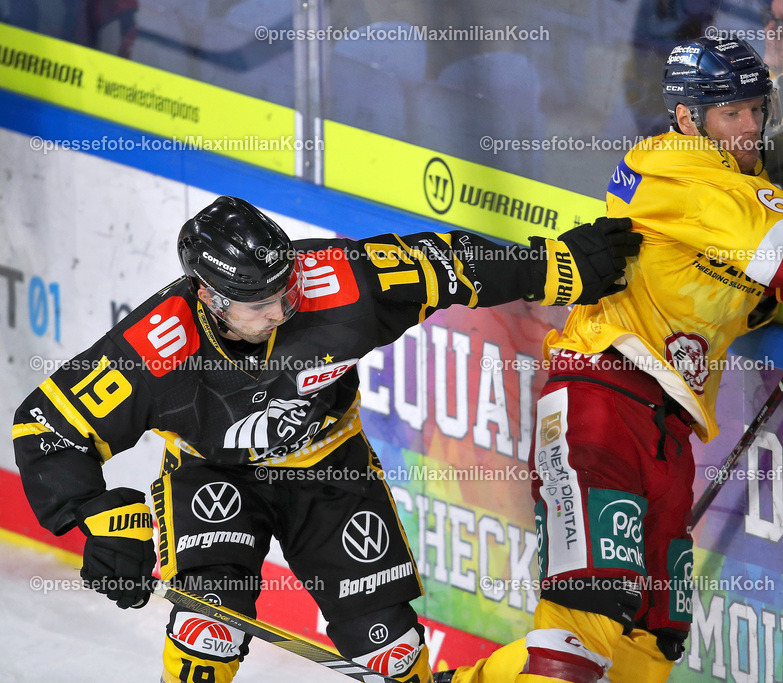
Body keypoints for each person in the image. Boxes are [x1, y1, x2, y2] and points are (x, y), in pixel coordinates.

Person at [11, 196, 641, 683]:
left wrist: (556, 266)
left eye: (285, 290)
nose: (281, 311)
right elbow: (47, 426)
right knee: (210, 626)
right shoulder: (155, 347)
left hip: (328, 467)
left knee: (391, 650)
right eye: (258, 304)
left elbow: (445, 264)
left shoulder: (339, 282)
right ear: (208, 296)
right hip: (215, 477)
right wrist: (97, 518)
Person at [438, 36, 783, 683]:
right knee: (585, 619)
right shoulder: (673, 164)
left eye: (754, 109)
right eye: (729, 113)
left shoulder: (733, 194)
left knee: (650, 641)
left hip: (665, 434)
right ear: (688, 118)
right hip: (596, 405)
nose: (749, 126)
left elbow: (740, 286)